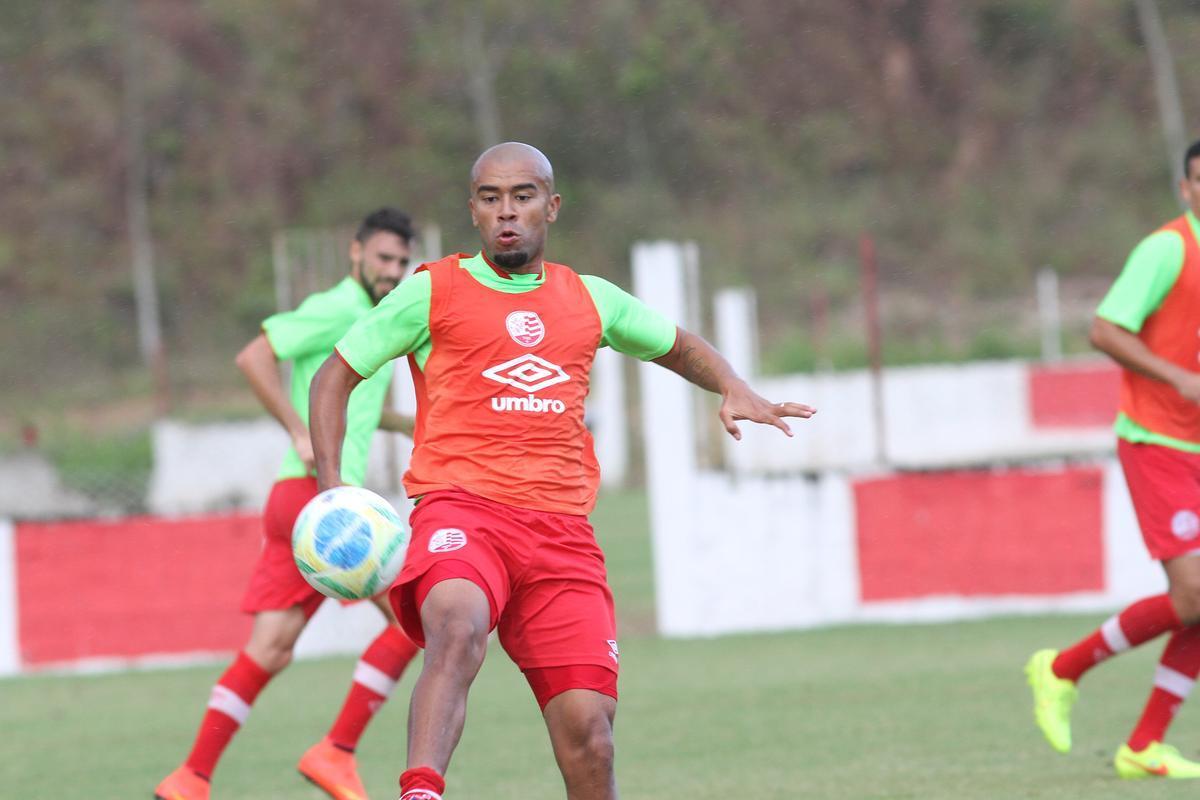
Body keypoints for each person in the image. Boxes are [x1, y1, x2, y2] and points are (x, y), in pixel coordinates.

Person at [307, 143, 816, 800]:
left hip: (561, 536)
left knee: (591, 736)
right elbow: (334, 375)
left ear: (551, 206)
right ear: (473, 210)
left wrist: (730, 383)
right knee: (456, 629)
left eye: (522, 196)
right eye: (490, 198)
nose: (506, 211)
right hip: (462, 512)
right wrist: (331, 490)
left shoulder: (589, 299)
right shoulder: (433, 290)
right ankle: (421, 791)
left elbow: (678, 345)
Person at [155, 208, 422, 800]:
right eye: (384, 258)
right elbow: (254, 356)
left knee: (269, 650)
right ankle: (337, 750)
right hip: (325, 499)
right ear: (356, 252)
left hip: (295, 500)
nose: (392, 270)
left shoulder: (371, 316)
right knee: (418, 619)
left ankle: (190, 777)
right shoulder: (336, 308)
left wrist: (403, 423)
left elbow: (350, 402)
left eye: (402, 262)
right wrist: (298, 431)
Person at [1026, 139, 1200, 779]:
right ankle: (1061, 669)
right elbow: (1104, 329)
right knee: (1196, 592)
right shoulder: (1167, 250)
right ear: (1186, 189)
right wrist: (1177, 378)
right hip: (1159, 440)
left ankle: (1144, 746)